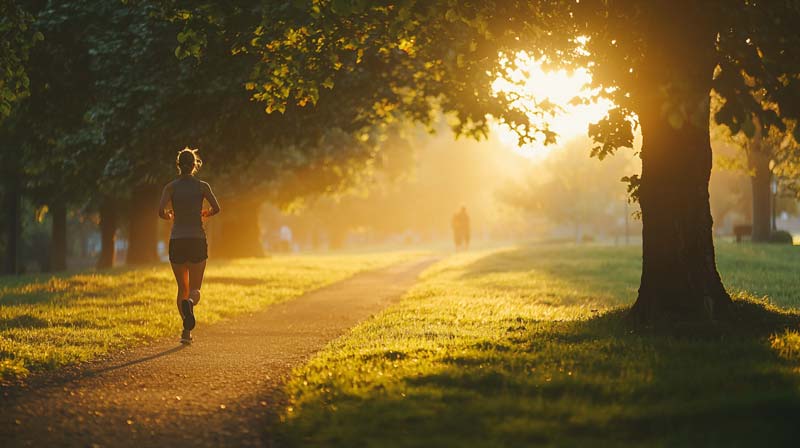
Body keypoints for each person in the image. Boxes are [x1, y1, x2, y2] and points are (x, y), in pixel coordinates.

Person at [158, 148, 221, 344]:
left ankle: (186, 330)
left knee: (181, 288)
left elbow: (160, 211)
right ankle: (190, 304)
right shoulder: (203, 186)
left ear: (179, 165)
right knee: (194, 290)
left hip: (177, 241)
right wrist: (206, 213)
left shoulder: (170, 187)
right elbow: (217, 208)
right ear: (195, 165)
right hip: (196, 240)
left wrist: (170, 215)